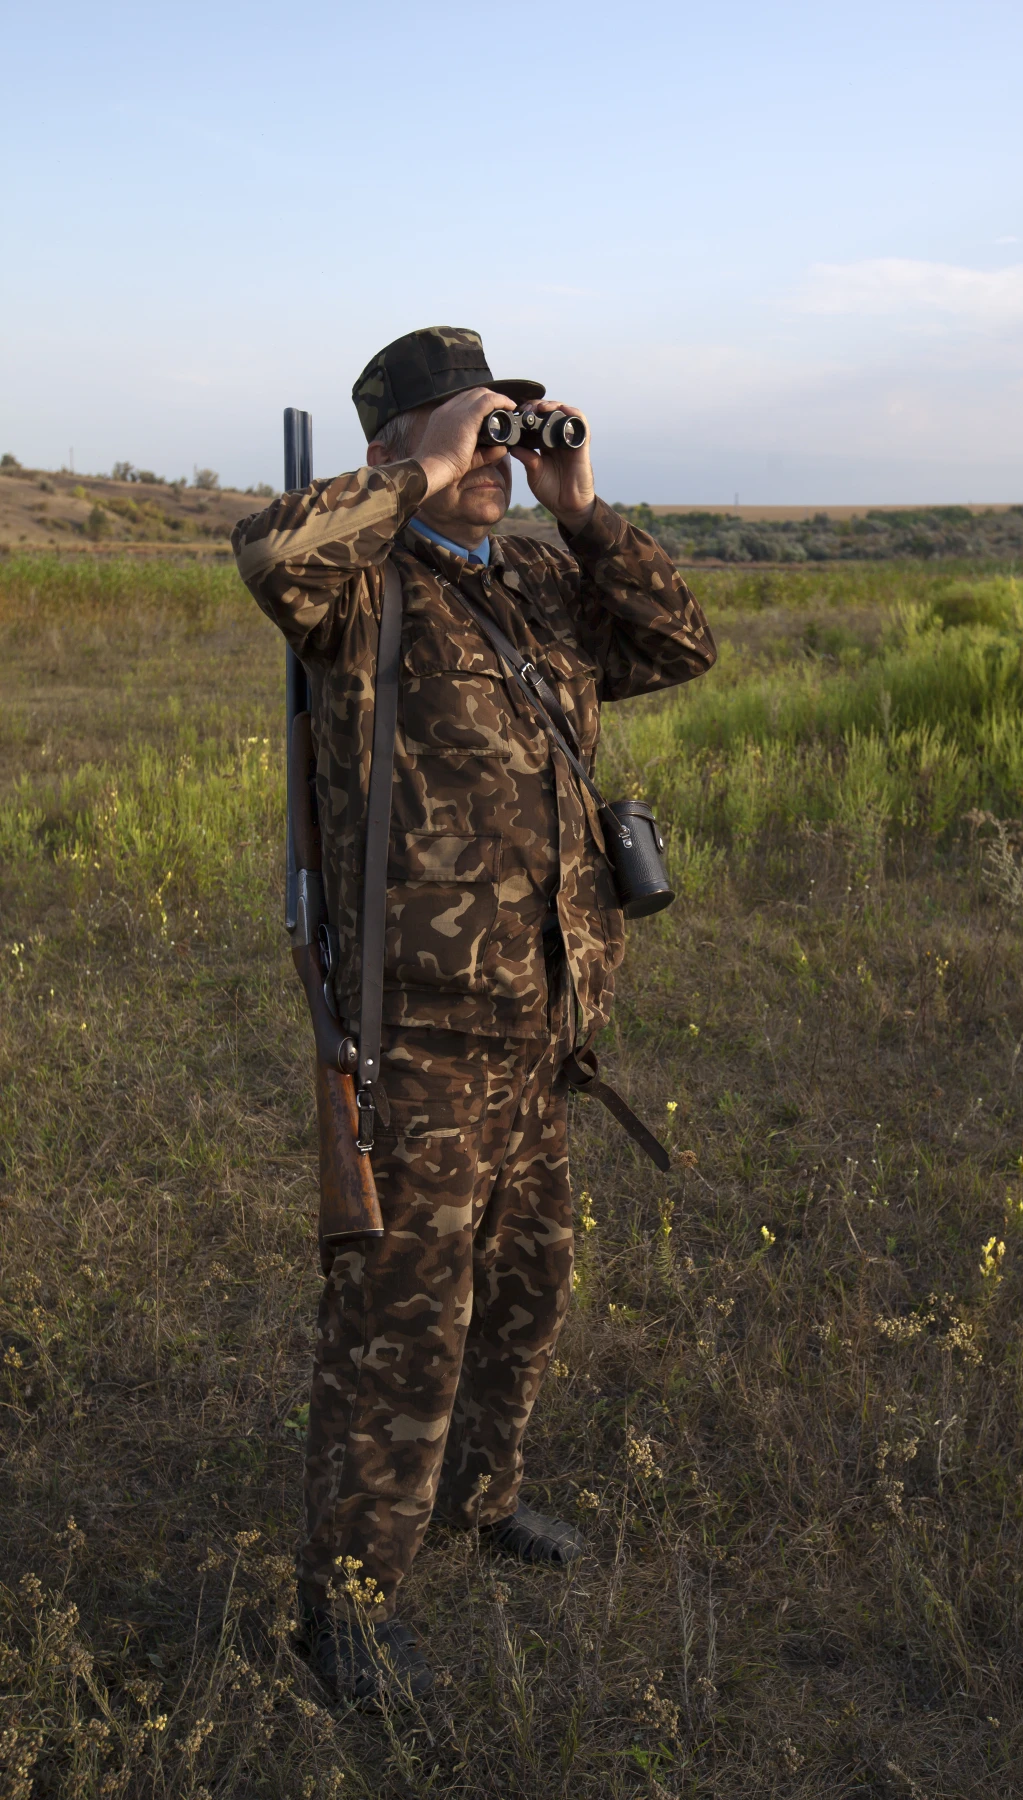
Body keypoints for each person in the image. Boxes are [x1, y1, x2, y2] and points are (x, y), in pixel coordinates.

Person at [232, 326, 716, 1702]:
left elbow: (681, 642)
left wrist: (581, 504)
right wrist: (419, 466)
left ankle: (480, 1498)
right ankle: (352, 1605)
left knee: (523, 1291)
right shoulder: (359, 592)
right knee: (402, 1325)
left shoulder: (536, 586)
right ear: (396, 447)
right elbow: (271, 556)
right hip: (419, 1034)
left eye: (508, 427)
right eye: (472, 434)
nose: (496, 455)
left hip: (541, 1030)